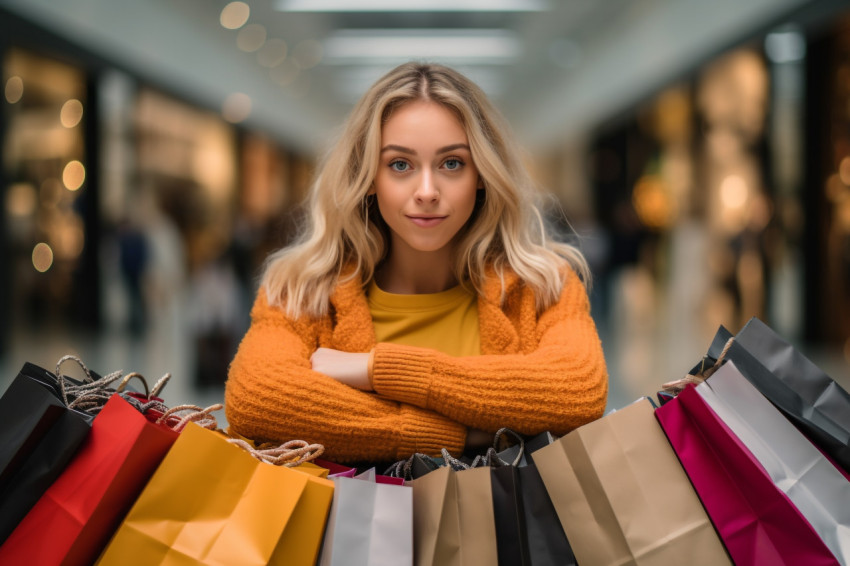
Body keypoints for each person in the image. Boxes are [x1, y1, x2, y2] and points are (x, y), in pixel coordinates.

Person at [224, 62, 608, 465]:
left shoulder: (542, 284)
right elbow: (257, 397)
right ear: (369, 176)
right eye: (400, 165)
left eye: (452, 163)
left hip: (502, 528)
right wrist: (455, 436)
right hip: (352, 529)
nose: (427, 191)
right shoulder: (303, 289)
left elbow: (578, 389)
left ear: (481, 174)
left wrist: (378, 370)